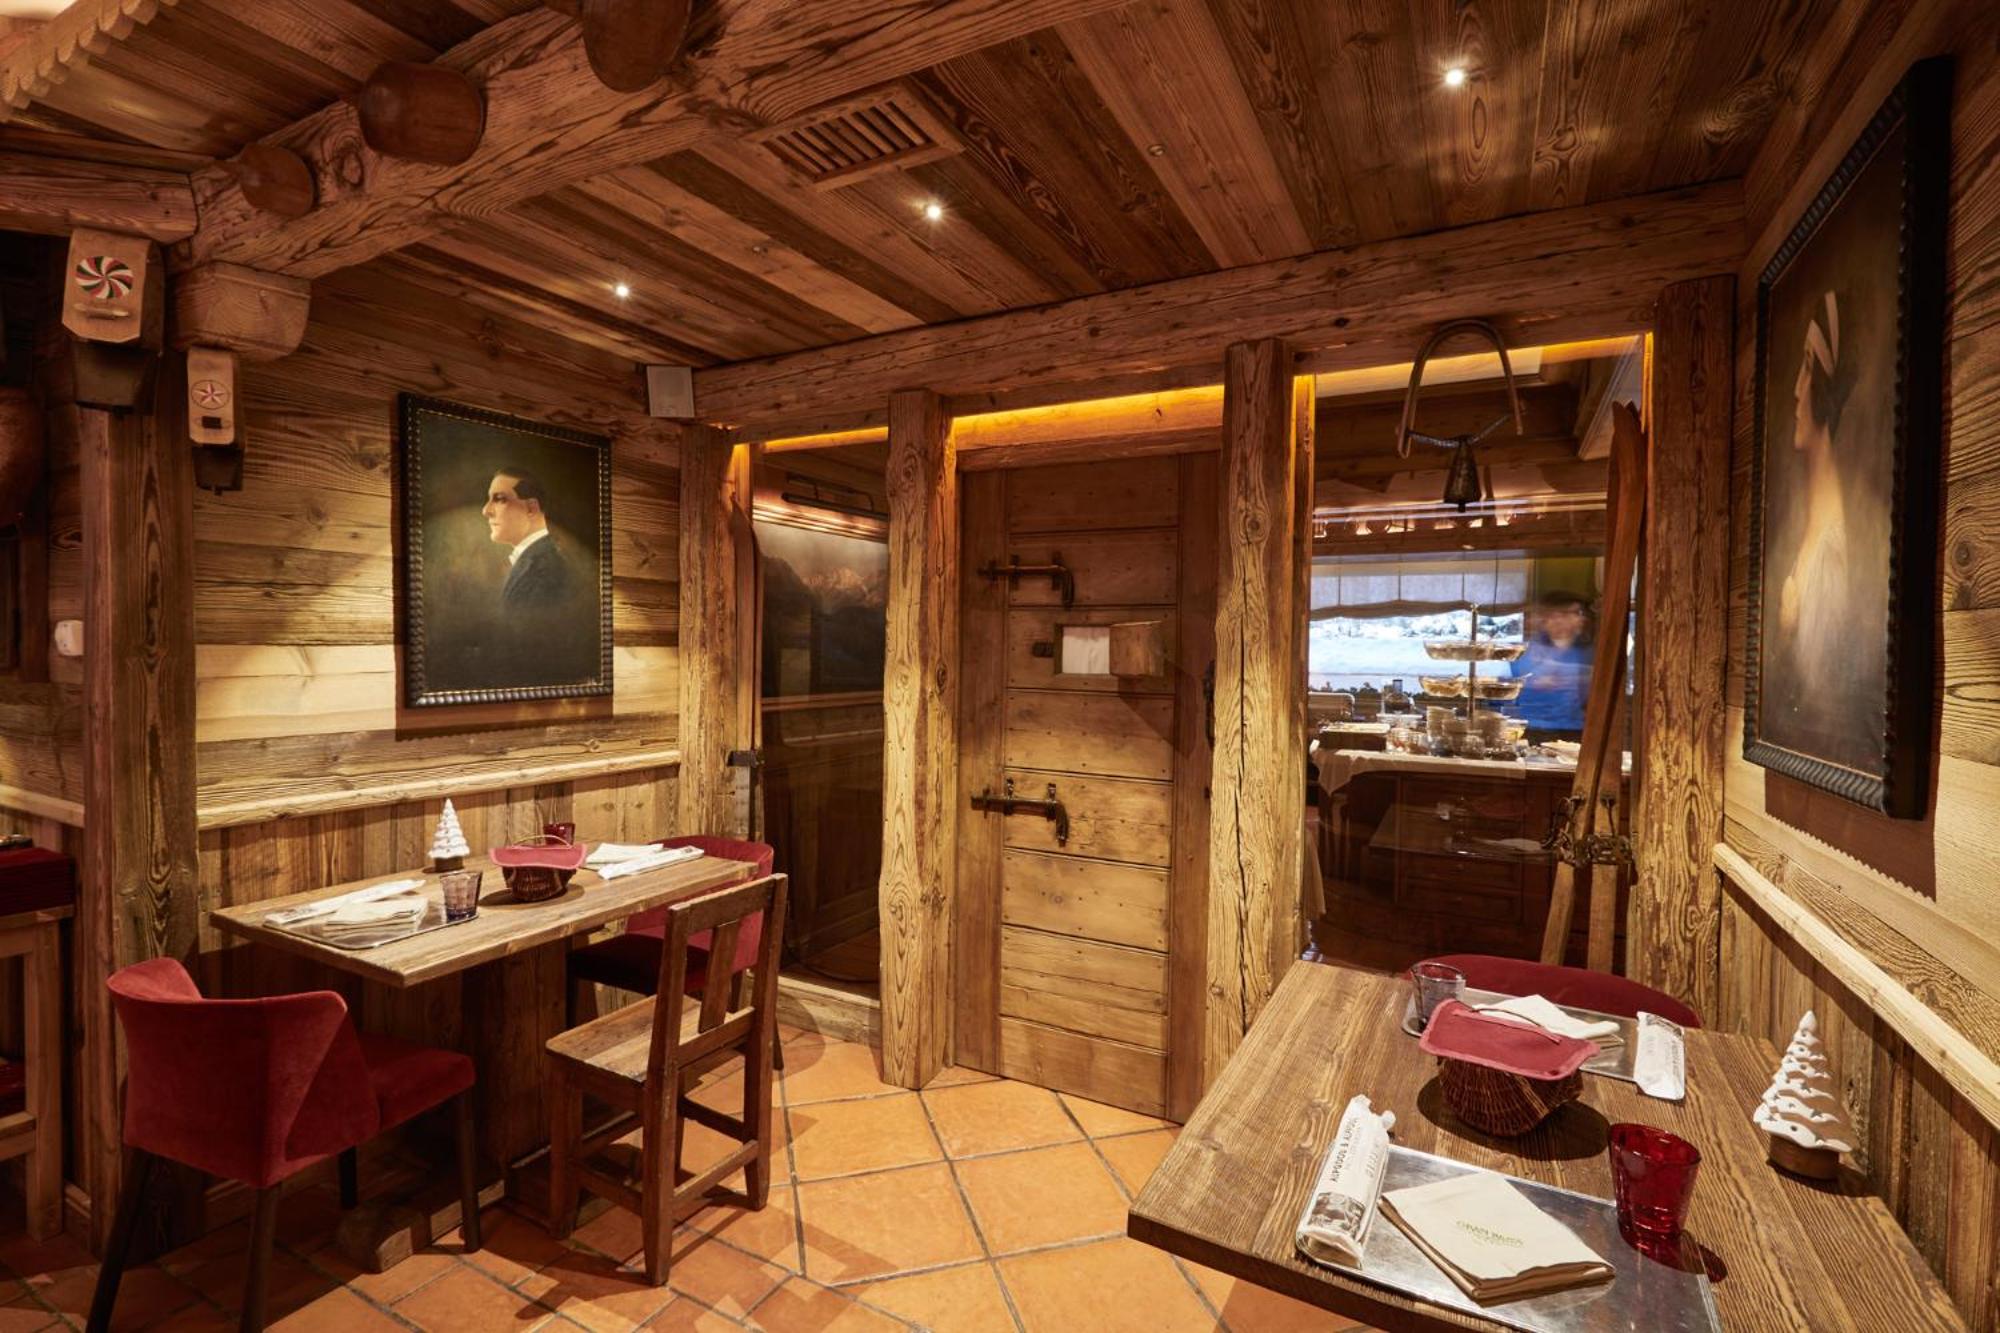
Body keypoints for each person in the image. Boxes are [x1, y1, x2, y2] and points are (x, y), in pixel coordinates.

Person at [483, 466, 576, 611]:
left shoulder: (546, 570)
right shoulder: (538, 560)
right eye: (489, 499)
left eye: (500, 499)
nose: (485, 511)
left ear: (531, 508)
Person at [1509, 592, 1593, 737]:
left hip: (1576, 730)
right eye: (1570, 613)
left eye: (1578, 613)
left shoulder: (1589, 651)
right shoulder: (1527, 650)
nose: (1580, 618)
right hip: (1532, 729)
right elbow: (1515, 685)